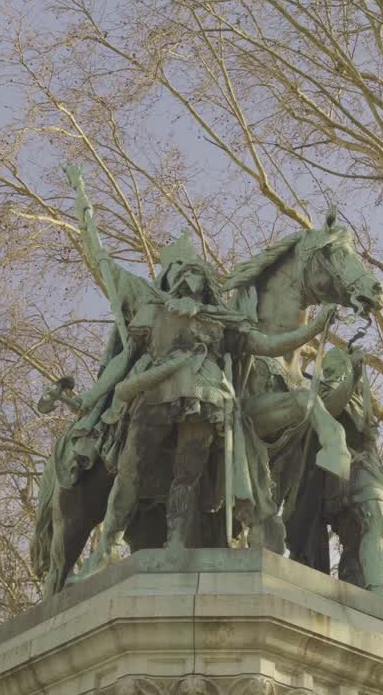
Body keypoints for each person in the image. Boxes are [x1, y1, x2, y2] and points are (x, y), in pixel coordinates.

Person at [61, 164, 339, 578]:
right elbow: (118, 337)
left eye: (197, 272)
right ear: (171, 276)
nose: (190, 276)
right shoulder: (152, 308)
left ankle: (175, 542)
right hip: (154, 395)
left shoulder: (220, 321)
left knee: (187, 479)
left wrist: (314, 328)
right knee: (132, 470)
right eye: (183, 271)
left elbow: (264, 345)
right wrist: (82, 202)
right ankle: (107, 545)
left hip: (208, 402)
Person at [283, 345, 383, 596]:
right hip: (344, 471)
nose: (338, 371)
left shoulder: (357, 401)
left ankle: (358, 591)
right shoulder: (321, 393)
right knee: (374, 520)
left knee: (363, 536)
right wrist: (351, 370)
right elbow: (332, 403)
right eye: (335, 367)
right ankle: (377, 591)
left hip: (370, 470)